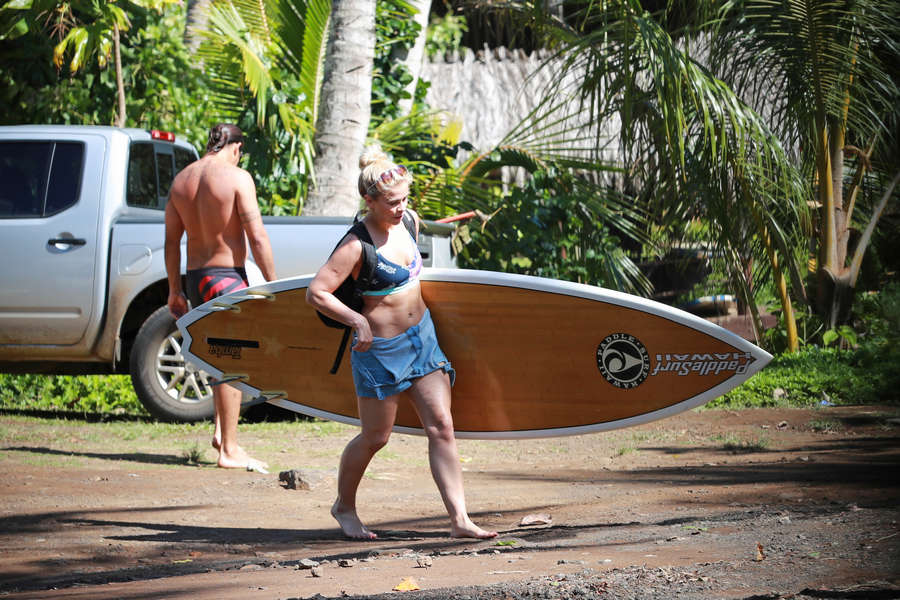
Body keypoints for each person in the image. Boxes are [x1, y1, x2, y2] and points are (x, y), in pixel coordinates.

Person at [306, 145, 497, 540]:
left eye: (404, 199)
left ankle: (459, 519)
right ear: (369, 201)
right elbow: (317, 293)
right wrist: (357, 320)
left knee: (442, 425)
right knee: (376, 437)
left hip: (422, 340)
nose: (400, 207)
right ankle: (343, 506)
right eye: (391, 202)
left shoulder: (408, 221)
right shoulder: (356, 245)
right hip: (380, 351)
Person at [165, 123, 276, 474]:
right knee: (234, 361)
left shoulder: (182, 179)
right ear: (237, 147)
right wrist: (275, 284)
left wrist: (174, 289)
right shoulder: (237, 177)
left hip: (197, 279)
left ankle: (219, 434)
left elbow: (171, 242)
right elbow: (256, 236)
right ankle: (229, 450)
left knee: (217, 358)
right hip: (225, 277)